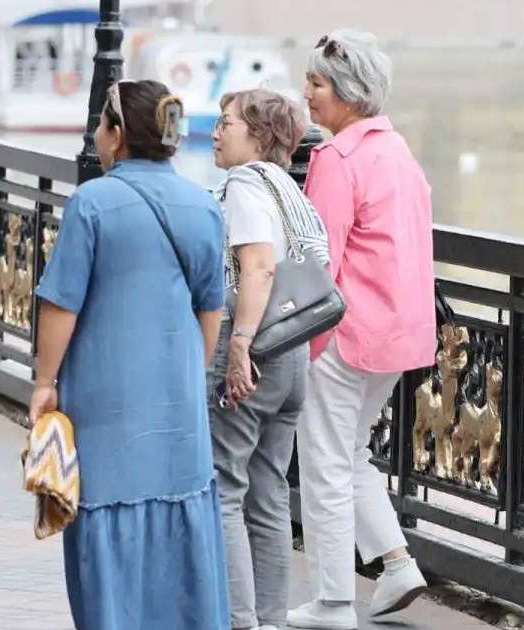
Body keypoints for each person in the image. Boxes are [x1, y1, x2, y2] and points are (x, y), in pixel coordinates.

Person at [29, 79, 230, 630]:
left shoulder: (93, 201)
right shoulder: (202, 205)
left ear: (118, 136)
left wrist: (45, 381)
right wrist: (189, 374)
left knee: (106, 520)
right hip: (178, 405)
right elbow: (209, 310)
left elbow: (61, 304)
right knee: (181, 514)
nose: (95, 133)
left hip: (106, 398)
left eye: (101, 123)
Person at [288, 29, 435, 630]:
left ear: (348, 94)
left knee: (323, 461)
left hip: (343, 335)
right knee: (349, 454)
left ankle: (332, 600)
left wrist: (296, 335)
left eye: (317, 84)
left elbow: (316, 261)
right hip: (399, 335)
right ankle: (396, 564)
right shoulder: (400, 155)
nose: (307, 94)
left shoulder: (338, 158)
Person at [208, 88, 329, 630]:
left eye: (226, 121)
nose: (215, 130)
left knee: (224, 485)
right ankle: (271, 620)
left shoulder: (244, 184)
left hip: (255, 347)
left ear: (257, 135)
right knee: (269, 491)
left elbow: (255, 266)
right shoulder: (291, 189)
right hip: (294, 352)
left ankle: (240, 620)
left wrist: (239, 347)